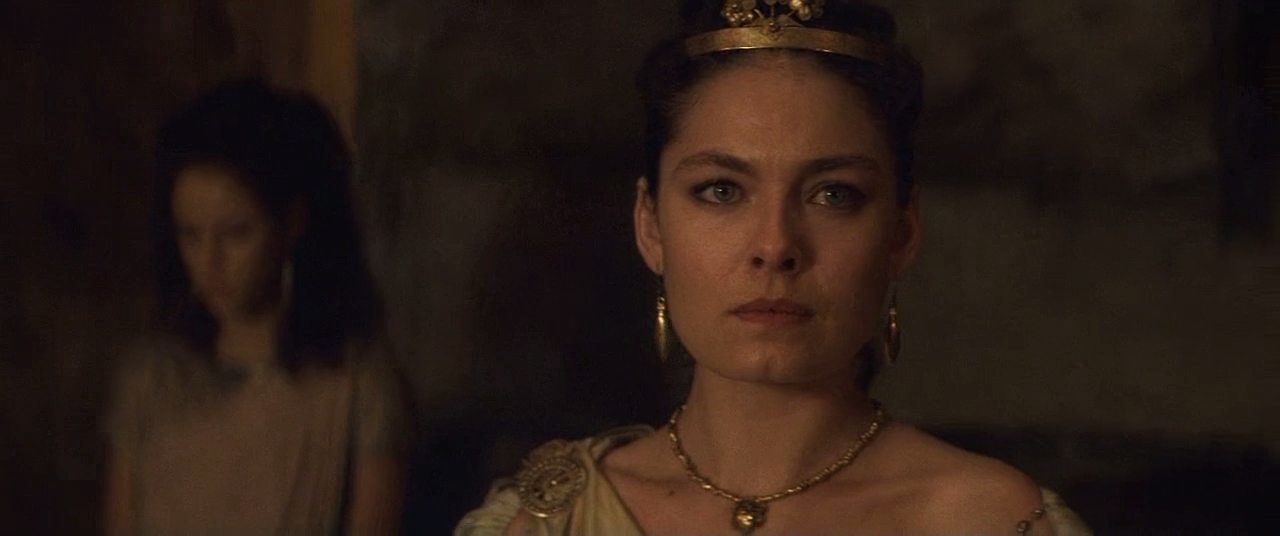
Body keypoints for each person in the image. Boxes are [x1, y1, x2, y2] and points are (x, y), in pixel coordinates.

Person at [456, 1, 1090, 534]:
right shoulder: (546, 518)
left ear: (901, 234)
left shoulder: (993, 520)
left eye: (833, 194)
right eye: (721, 191)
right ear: (650, 225)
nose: (775, 245)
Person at [103, 78, 409, 535]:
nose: (209, 263)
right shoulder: (152, 379)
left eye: (236, 233)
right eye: (190, 234)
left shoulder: (357, 382)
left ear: (290, 223)